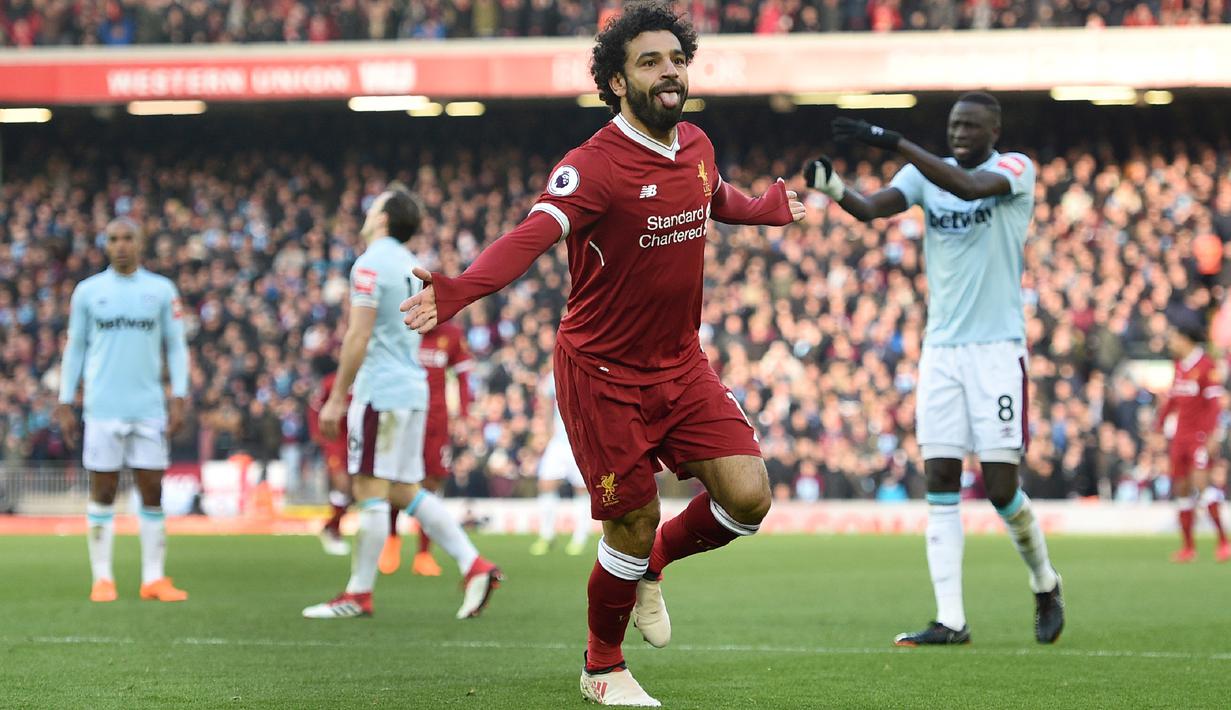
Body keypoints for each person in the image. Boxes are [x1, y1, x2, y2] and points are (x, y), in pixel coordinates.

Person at [401, 4, 804, 704]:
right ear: (617, 82)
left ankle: (654, 565)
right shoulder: (591, 166)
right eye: (649, 62)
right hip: (602, 375)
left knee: (748, 498)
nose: (669, 71)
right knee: (630, 518)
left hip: (680, 364)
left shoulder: (696, 145)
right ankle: (601, 668)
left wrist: (764, 206)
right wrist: (463, 288)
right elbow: (532, 233)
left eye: (675, 58)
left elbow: (713, 197)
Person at [803, 91, 1064, 646]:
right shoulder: (924, 175)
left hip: (997, 350)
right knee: (940, 478)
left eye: (971, 125)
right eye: (954, 124)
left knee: (999, 489)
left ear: (995, 129)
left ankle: (1044, 581)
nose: (960, 132)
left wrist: (894, 140)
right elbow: (873, 208)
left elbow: (967, 187)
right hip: (942, 352)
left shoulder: (1015, 169)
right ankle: (951, 619)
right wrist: (830, 188)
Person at [301, 187, 501, 621]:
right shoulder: (411, 267)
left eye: (373, 207)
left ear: (384, 219)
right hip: (413, 392)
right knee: (403, 489)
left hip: (381, 392)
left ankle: (359, 593)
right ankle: (474, 565)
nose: (367, 212)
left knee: (369, 488)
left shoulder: (370, 263)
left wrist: (337, 399)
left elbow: (358, 334)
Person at [56, 217, 190, 603]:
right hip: (102, 408)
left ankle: (153, 579)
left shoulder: (161, 290)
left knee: (152, 489)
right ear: (105, 244)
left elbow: (176, 345)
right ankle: (103, 579)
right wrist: (66, 399)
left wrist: (178, 396)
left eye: (128, 238)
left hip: (148, 407)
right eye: (113, 239)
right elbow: (75, 346)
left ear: (140, 242)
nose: (120, 245)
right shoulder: (88, 292)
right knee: (103, 489)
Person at [378, 321, 474, 577]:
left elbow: (464, 375)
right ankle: (391, 538)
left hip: (435, 422)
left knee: (431, 482)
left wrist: (464, 415)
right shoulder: (400, 329)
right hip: (402, 415)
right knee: (395, 478)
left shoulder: (452, 334)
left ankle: (423, 553)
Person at [1154, 321, 1230, 562]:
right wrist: (1158, 428)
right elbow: (1173, 401)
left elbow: (1214, 405)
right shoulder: (1178, 366)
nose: (1171, 342)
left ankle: (1223, 542)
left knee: (1203, 485)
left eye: (1175, 337)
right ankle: (1188, 547)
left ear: (1186, 339)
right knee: (1182, 489)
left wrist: (1212, 435)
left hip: (1199, 437)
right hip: (1180, 438)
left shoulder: (1206, 365)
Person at [529, 366, 591, 557]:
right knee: (546, 484)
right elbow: (546, 398)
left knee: (581, 489)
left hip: (582, 441)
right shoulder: (556, 372)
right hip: (559, 441)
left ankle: (580, 537)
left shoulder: (589, 370)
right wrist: (548, 429)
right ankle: (547, 535)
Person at [308, 359, 351, 556]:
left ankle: (331, 526)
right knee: (342, 485)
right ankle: (333, 529)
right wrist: (317, 433)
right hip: (335, 439)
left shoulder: (369, 381)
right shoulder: (331, 382)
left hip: (360, 440)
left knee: (356, 491)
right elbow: (314, 407)